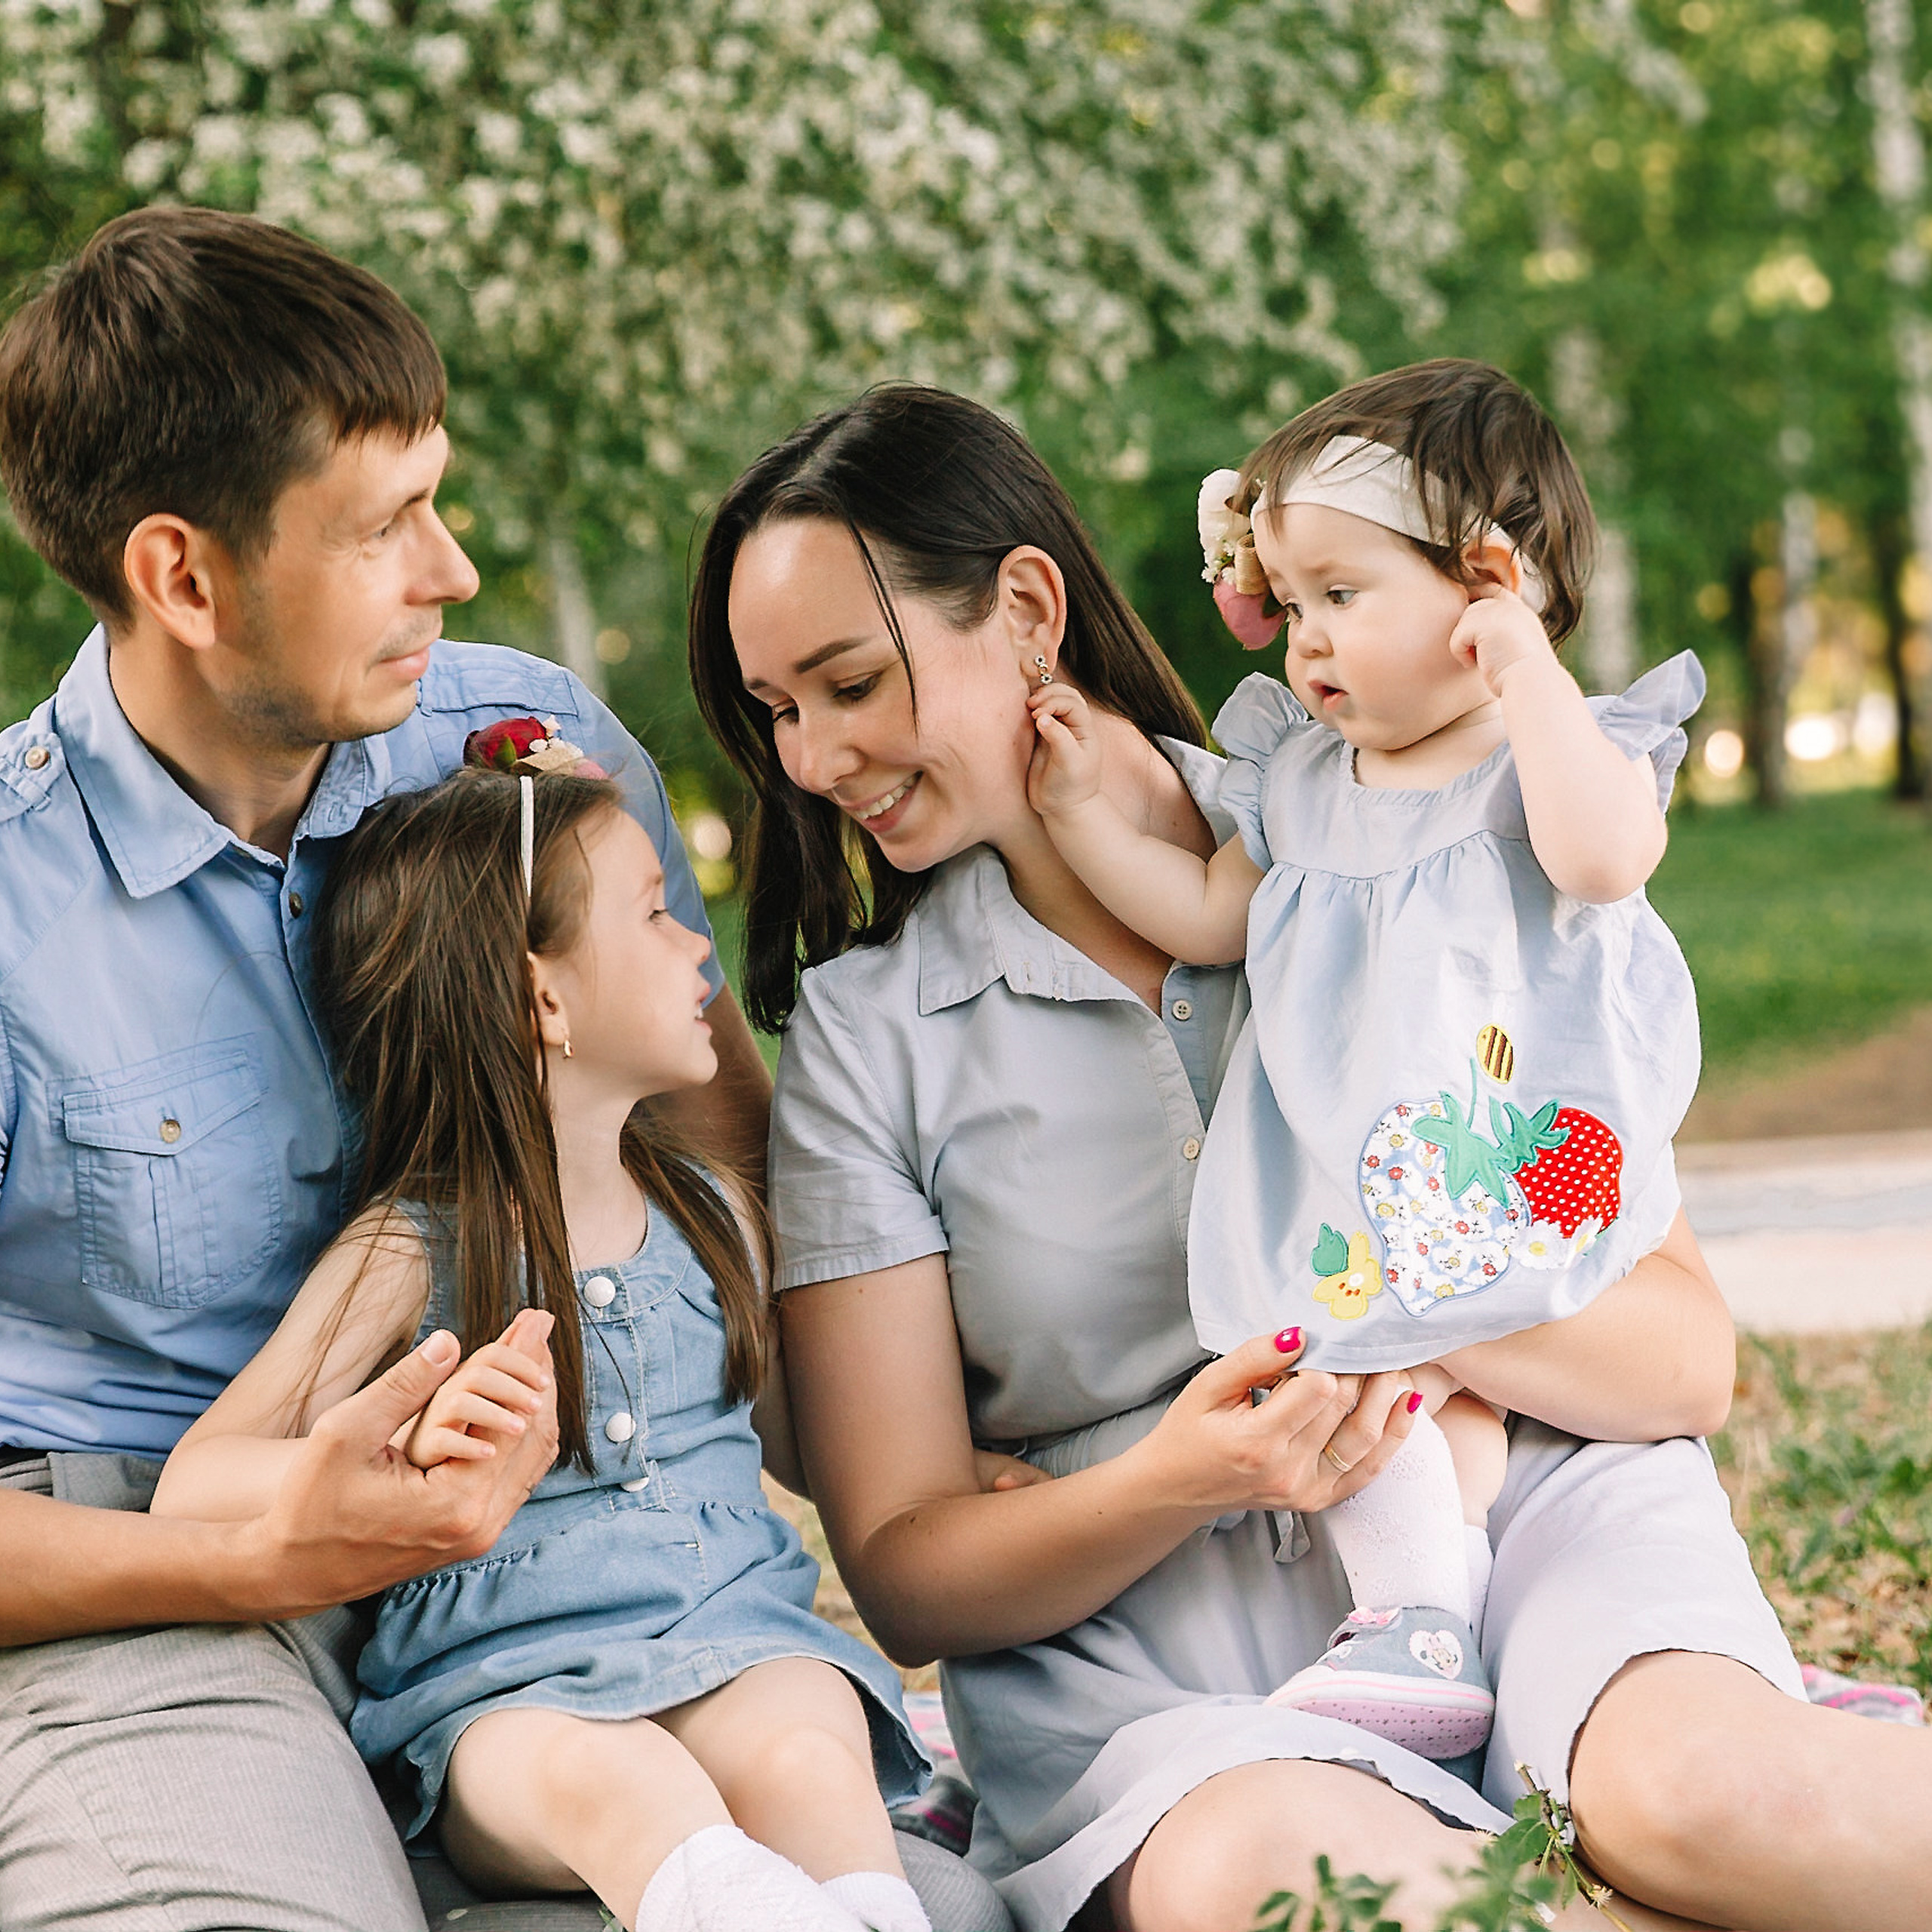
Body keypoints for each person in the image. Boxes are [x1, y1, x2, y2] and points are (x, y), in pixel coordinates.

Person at [690, 381, 1932, 1932]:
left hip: (1531, 1515)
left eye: (847, 682)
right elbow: (909, 1567)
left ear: (1023, 608)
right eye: (774, 712)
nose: (809, 758)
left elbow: (1680, 1363)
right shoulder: (871, 1041)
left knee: (1710, 1796)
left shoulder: (1416, 841)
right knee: (1281, 1875)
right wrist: (1176, 1472)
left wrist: (1378, 1286)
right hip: (1157, 1680)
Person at [0, 207, 770, 1930]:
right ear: (182, 575)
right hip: (145, 1588)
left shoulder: (520, 752)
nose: (454, 570)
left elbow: (713, 1149)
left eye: (439, 495)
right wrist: (253, 1553)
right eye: (383, 526)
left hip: (563, 1560)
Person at [1021, 361, 1703, 1761]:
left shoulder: (1551, 752)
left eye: (1342, 595)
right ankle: (1423, 1620)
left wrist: (1526, 668)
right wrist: (1087, 818)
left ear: (1487, 579)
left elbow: (1605, 858)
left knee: (1427, 1353)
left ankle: (1451, 1625)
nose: (1304, 644)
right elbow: (1213, 918)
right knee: (1385, 1380)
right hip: (1356, 1156)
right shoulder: (1308, 783)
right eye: (1290, 604)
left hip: (1501, 1138)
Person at [149, 758, 931, 1932]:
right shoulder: (414, 1249)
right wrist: (394, 1449)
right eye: (658, 914)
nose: (696, 953)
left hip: (733, 1641)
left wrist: (957, 1476)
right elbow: (194, 1488)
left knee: (810, 1746)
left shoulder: (711, 1217)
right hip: (508, 1706)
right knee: (632, 1786)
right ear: (545, 1000)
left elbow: (804, 1440)